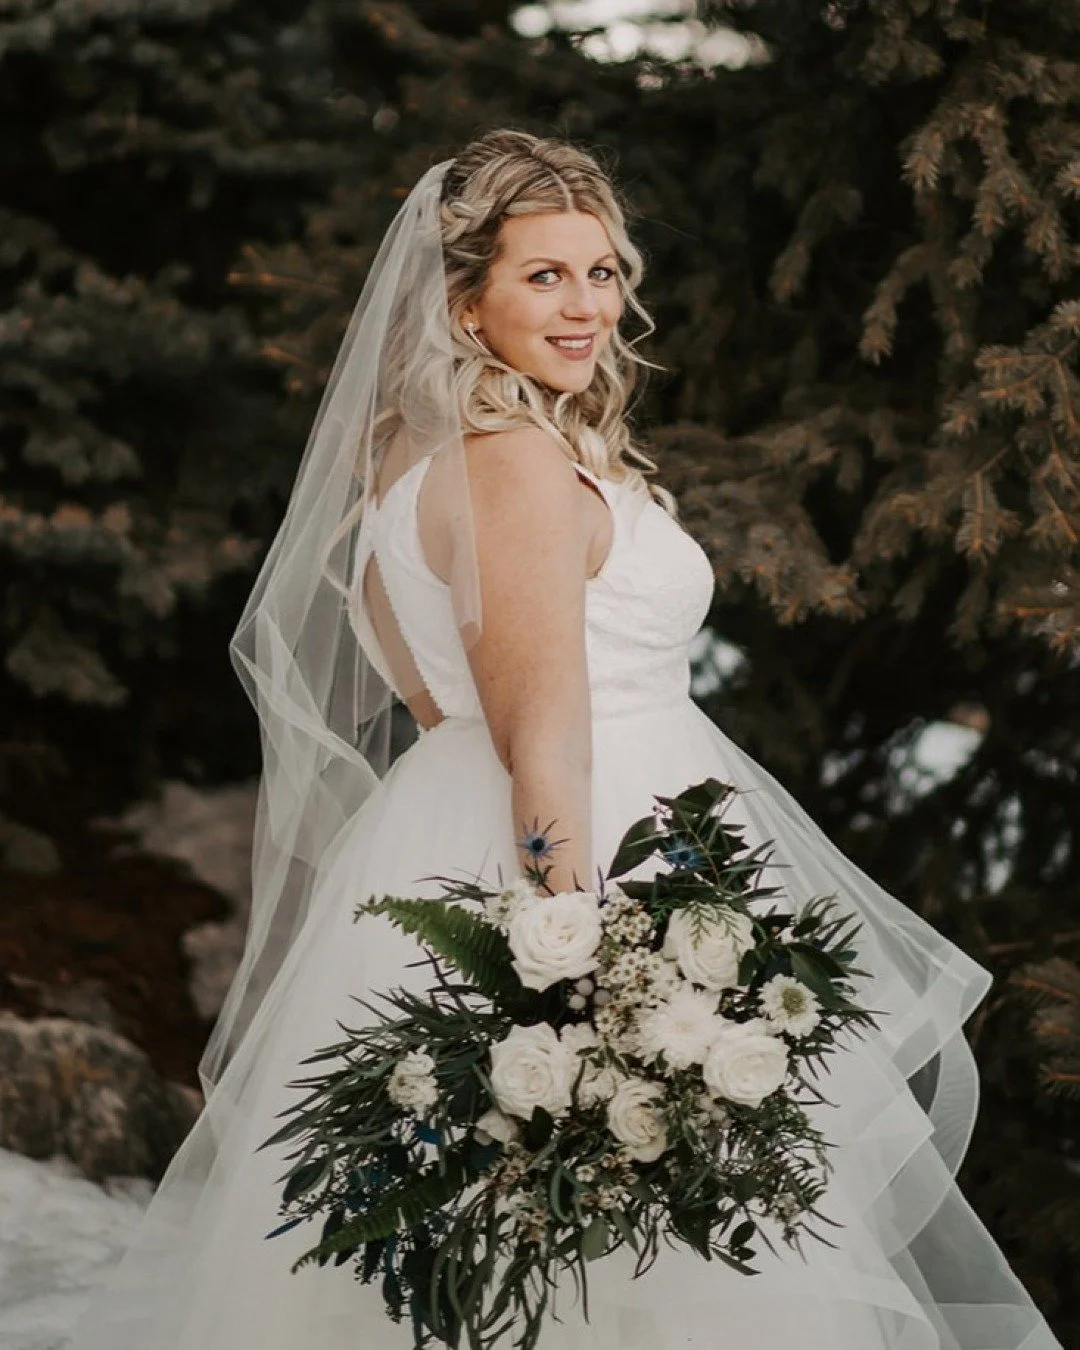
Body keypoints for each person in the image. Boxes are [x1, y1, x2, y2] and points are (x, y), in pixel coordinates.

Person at [62, 129, 1064, 1350]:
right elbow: (539, 731)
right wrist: (584, 965)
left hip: (452, 835)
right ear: (465, 303)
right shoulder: (517, 464)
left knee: (496, 1250)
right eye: (544, 275)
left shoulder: (409, 459)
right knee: (605, 1242)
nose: (588, 305)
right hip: (582, 865)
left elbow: (444, 712)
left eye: (601, 272)